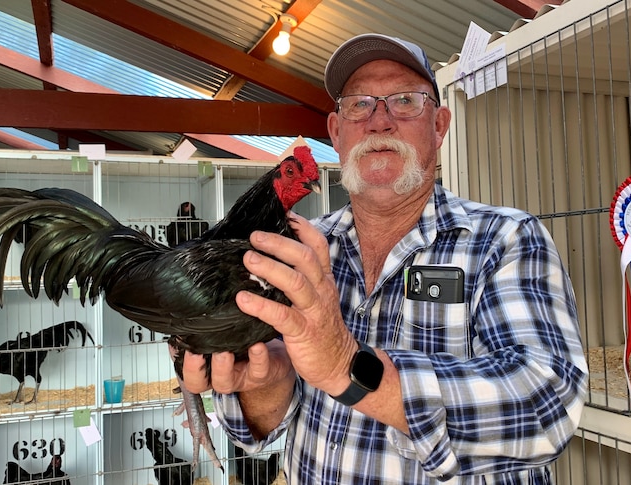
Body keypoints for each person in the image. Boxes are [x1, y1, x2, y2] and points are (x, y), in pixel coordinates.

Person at [181, 33, 588, 484]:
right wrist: (267, 381)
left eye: (405, 101)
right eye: (359, 104)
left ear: (439, 126)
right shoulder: (301, 249)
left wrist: (348, 368)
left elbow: (546, 408)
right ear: (336, 132)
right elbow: (260, 431)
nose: (380, 122)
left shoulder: (504, 239)